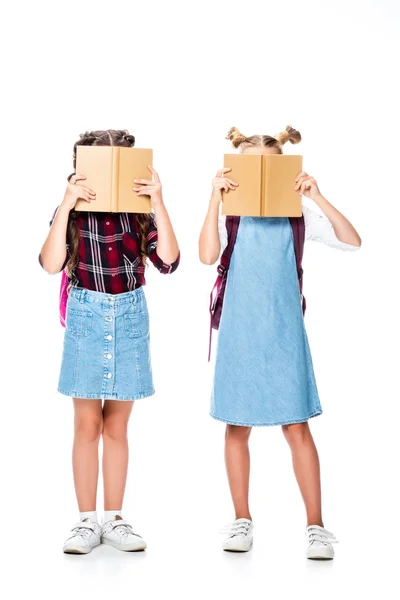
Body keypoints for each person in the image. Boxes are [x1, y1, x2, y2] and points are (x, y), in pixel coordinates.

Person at [198, 125, 361, 558]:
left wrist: (317, 196)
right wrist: (214, 196)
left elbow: (352, 240)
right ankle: (241, 520)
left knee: (297, 426)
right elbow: (206, 255)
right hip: (238, 328)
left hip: (285, 329)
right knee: (237, 425)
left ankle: (316, 525)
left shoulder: (298, 213)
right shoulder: (228, 211)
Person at [38, 129, 180, 554]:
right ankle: (86, 522)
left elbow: (169, 261)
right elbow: (49, 263)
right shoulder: (74, 213)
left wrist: (158, 200)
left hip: (130, 315)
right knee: (87, 424)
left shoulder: (138, 213)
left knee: (117, 426)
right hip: (86, 313)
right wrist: (66, 203)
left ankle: (115, 519)